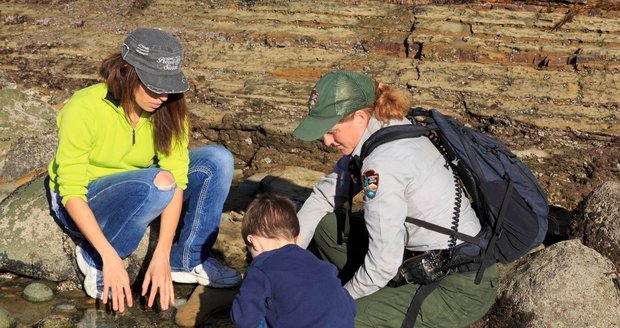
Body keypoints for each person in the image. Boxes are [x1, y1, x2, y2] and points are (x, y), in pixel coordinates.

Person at [46, 27, 241, 313]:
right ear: (126, 71)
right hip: (87, 195)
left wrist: (161, 254)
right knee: (159, 183)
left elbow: (179, 178)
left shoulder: (169, 108)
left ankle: (186, 259)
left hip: (145, 183)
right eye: (153, 85)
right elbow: (71, 190)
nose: (162, 95)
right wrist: (109, 257)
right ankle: (93, 259)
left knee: (217, 160)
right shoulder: (84, 107)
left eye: (168, 86)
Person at [292, 70, 498, 327]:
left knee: (338, 319)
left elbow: (382, 264)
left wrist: (341, 299)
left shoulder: (382, 164)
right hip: (415, 260)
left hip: (457, 287)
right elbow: (324, 196)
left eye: (332, 131)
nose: (326, 141)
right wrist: (282, 258)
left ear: (359, 117)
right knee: (323, 227)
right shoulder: (387, 128)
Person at [230, 193, 355, 328]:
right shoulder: (317, 263)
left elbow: (243, 320)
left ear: (252, 241)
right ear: (298, 237)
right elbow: (350, 306)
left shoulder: (261, 269)